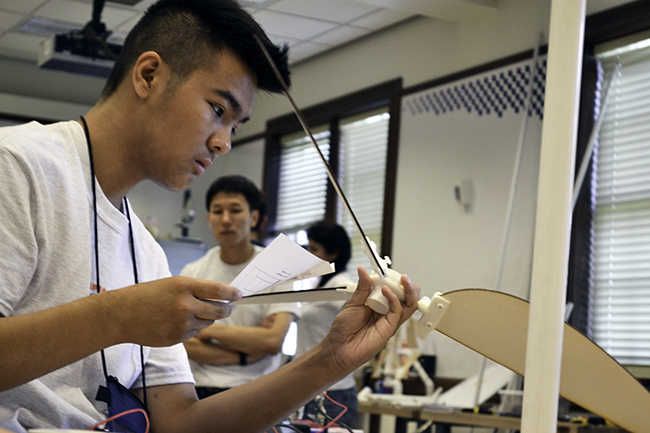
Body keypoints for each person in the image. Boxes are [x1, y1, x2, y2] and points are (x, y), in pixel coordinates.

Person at [0, 0, 422, 432]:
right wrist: (118, 315)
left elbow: (183, 422)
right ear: (149, 75)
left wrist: (330, 359)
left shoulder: (144, 253)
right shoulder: (17, 168)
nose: (224, 144)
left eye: (236, 127)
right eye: (218, 110)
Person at [181, 175, 300, 399]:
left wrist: (205, 328)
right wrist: (244, 355)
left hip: (258, 391)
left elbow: (272, 341)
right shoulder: (192, 273)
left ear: (254, 217)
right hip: (199, 391)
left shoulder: (279, 271)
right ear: (208, 219)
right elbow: (182, 343)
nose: (226, 220)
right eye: (217, 211)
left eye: (235, 210)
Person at [296, 221, 358, 428]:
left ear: (332, 254)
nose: (308, 254)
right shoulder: (319, 284)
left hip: (333, 391)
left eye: (314, 249)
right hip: (309, 386)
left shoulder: (343, 286)